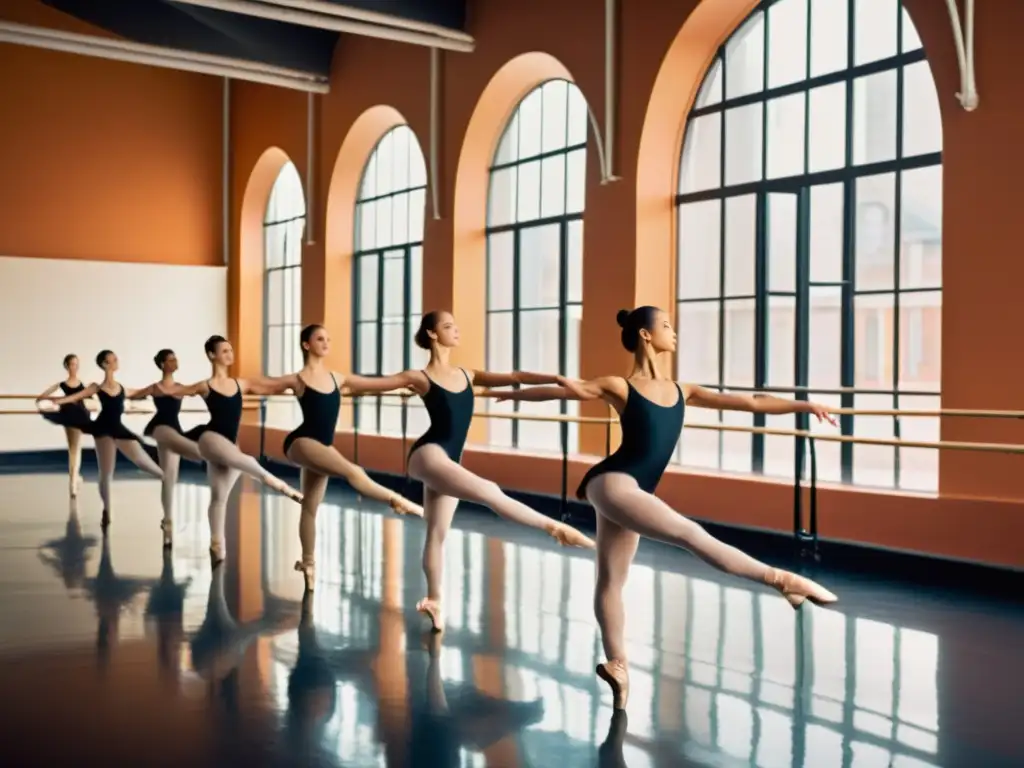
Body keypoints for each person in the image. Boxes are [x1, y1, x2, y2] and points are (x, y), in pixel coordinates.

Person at [483, 306, 839, 711]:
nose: (674, 332)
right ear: (646, 335)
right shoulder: (620, 385)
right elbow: (570, 392)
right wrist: (508, 394)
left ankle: (617, 665)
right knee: (690, 533)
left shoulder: (684, 390)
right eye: (666, 325)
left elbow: (752, 403)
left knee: (612, 580)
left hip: (630, 489)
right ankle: (782, 580)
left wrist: (805, 406)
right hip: (613, 482)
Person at [350, 310, 594, 633]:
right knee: (490, 491)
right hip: (428, 454)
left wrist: (556, 378)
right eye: (449, 326)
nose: (456, 330)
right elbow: (375, 384)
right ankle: (554, 528)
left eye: (456, 324)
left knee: (437, 534)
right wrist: (342, 386)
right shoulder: (420, 377)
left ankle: (435, 601)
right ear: (433, 334)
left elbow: (514, 376)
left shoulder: (467, 375)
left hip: (450, 460)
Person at [277, 324, 423, 592]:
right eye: (320, 338)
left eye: (328, 338)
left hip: (321, 446)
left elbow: (378, 384)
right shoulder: (297, 380)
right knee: (353, 471)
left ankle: (308, 563)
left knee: (310, 506)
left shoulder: (337, 379)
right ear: (306, 345)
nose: (326, 342)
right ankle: (398, 501)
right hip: (299, 442)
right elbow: (259, 385)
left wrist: (408, 381)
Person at [173, 334, 302, 564]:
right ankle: (282, 487)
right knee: (247, 461)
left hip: (230, 445)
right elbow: (176, 391)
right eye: (224, 351)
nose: (229, 354)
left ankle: (216, 544)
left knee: (219, 497)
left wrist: (297, 382)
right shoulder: (205, 385)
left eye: (230, 350)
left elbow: (272, 386)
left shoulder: (241, 384)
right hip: (210, 439)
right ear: (212, 355)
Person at [42, 350, 164, 529]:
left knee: (142, 460)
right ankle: (107, 510)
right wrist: (57, 402)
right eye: (113, 359)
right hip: (102, 430)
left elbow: (138, 392)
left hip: (118, 429)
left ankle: (165, 482)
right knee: (106, 473)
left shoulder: (122, 388)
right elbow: (76, 396)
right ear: (105, 364)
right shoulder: (96, 388)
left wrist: (153, 389)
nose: (117, 361)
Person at [129, 349, 205, 548]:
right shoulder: (155, 388)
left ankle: (167, 521)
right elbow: (134, 395)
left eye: (175, 358)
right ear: (163, 364)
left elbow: (202, 390)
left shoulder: (181, 387)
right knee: (169, 476)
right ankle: (168, 521)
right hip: (161, 429)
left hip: (175, 430)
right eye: (171, 359)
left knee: (170, 477)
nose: (175, 361)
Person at [36, 354, 95, 497]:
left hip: (76, 416)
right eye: (73, 364)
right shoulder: (64, 385)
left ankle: (74, 480)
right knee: (75, 449)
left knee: (74, 449)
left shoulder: (80, 384)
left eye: (77, 364)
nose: (75, 367)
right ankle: (73, 482)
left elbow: (91, 398)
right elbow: (42, 397)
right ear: (67, 366)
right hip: (73, 416)